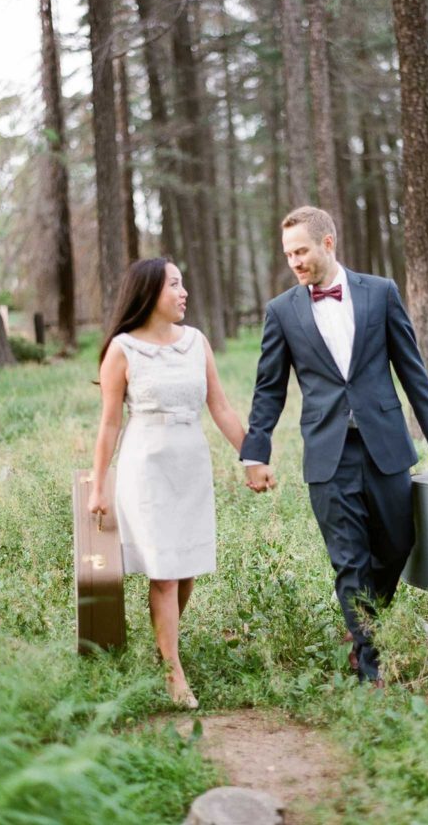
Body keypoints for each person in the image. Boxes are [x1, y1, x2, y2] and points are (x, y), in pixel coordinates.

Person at [242, 206, 428, 686]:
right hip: (327, 453)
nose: (295, 262)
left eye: (301, 251)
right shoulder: (282, 311)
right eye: (288, 254)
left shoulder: (379, 293)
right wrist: (256, 451)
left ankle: (364, 624)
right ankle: (370, 663)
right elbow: (269, 388)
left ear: (328, 243)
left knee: (397, 543)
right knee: (350, 561)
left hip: (385, 446)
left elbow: (412, 370)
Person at [88, 257, 245, 708]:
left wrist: (253, 457)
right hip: (146, 468)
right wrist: (99, 485)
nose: (184, 293)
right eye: (174, 284)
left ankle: (165, 642)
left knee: (186, 567)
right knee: (164, 575)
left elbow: (221, 408)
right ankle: (172, 671)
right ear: (149, 293)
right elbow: (109, 424)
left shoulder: (196, 342)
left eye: (183, 283)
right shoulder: (123, 349)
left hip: (191, 464)